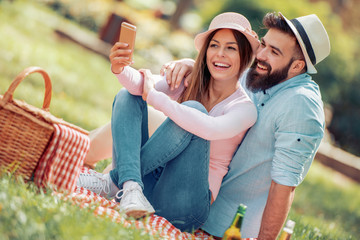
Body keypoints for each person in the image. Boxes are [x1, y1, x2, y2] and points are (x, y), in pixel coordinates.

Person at [77, 12, 259, 232]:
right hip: (151, 187)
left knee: (192, 111)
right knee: (127, 96)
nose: (220, 54)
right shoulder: (191, 81)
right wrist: (121, 68)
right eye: (214, 45)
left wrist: (155, 97)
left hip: (187, 208)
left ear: (245, 56)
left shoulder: (245, 109)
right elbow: (140, 85)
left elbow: (209, 128)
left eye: (231, 48)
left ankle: (114, 182)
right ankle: (131, 186)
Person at [162, 12, 330, 239]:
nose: (260, 54)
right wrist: (189, 65)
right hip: (191, 196)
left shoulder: (301, 105)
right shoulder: (259, 75)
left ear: (297, 66)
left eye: (274, 51)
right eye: (263, 45)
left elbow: (284, 185)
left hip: (228, 227)